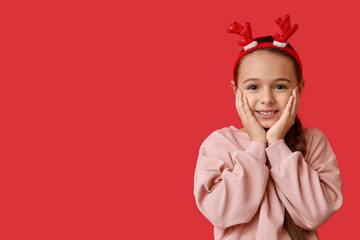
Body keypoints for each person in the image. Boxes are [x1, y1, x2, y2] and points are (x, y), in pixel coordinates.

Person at [193, 15, 343, 240]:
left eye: (280, 86)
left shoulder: (314, 141)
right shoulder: (219, 143)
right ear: (236, 91)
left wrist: (277, 144)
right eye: (253, 87)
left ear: (299, 89)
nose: (267, 98)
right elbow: (222, 213)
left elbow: (316, 213)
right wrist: (256, 145)